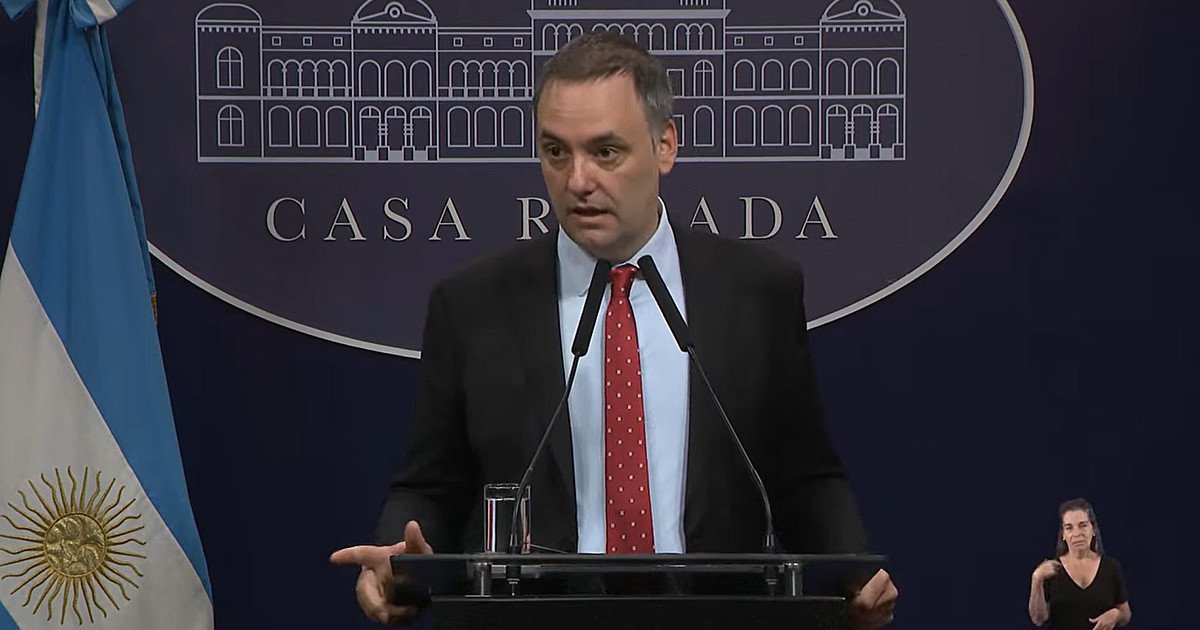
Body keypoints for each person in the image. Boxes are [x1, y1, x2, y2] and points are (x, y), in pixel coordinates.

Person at [331, 31, 897, 628]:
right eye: (556, 152)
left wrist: (854, 572)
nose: (577, 180)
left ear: (664, 146)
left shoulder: (758, 292)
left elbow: (804, 477)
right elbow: (432, 486)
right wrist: (398, 559)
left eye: (605, 152)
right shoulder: (474, 304)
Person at [1029, 498, 1131, 630]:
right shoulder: (1051, 571)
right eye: (1069, 528)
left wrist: (1117, 615)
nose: (1077, 533)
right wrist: (1036, 580)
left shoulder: (1111, 568)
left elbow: (1126, 614)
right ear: (1063, 534)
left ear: (1093, 529)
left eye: (1083, 525)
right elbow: (1038, 619)